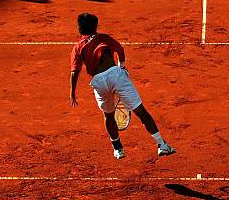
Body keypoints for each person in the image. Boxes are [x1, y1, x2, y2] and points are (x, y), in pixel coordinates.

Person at [69, 13, 175, 160]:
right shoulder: (103, 37)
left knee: (108, 115)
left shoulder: (77, 47)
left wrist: (72, 92)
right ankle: (161, 145)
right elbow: (120, 50)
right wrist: (122, 67)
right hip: (115, 75)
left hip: (98, 82)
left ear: (80, 29)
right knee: (140, 111)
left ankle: (118, 149)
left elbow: (75, 72)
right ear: (95, 27)